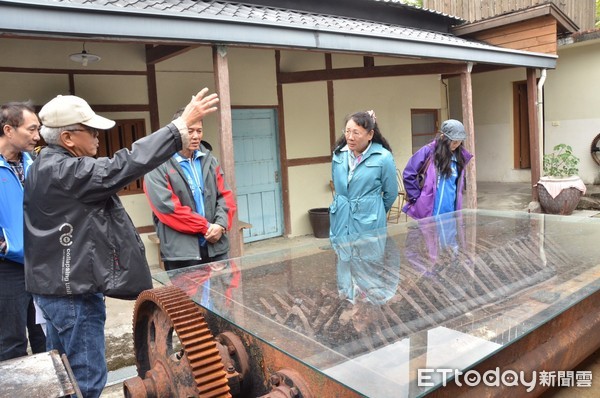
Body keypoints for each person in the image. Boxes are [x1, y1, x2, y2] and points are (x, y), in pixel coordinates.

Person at [23, 89, 219, 398]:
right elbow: (123, 164)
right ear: (68, 138)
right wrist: (178, 128)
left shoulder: (41, 166)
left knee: (63, 376)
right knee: (86, 380)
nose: (99, 136)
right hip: (72, 293)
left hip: (51, 288)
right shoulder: (67, 171)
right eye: (91, 130)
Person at [143, 108, 236, 271]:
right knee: (187, 296)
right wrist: (206, 227)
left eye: (199, 131)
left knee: (223, 294)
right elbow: (167, 209)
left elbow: (226, 197)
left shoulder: (210, 161)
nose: (196, 136)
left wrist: (220, 225)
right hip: (182, 253)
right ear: (177, 132)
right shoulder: (157, 166)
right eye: (190, 131)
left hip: (216, 246)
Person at [0, 101, 46, 361]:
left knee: (45, 336)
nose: (37, 136)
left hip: (40, 264)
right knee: (11, 341)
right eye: (31, 129)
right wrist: (7, 246)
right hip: (6, 269)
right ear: (8, 130)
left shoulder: (35, 163)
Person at [329, 110, 398, 239]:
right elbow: (340, 188)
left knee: (369, 257)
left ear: (370, 134)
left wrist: (374, 210)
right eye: (347, 131)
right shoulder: (338, 155)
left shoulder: (383, 157)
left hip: (369, 225)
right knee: (343, 257)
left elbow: (391, 192)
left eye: (356, 132)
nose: (350, 137)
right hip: (340, 222)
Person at [402, 119, 473, 220]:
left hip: (451, 211)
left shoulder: (460, 157)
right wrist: (416, 199)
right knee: (429, 235)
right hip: (429, 212)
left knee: (450, 235)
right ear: (443, 137)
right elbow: (409, 173)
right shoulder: (428, 151)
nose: (456, 145)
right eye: (454, 142)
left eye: (459, 142)